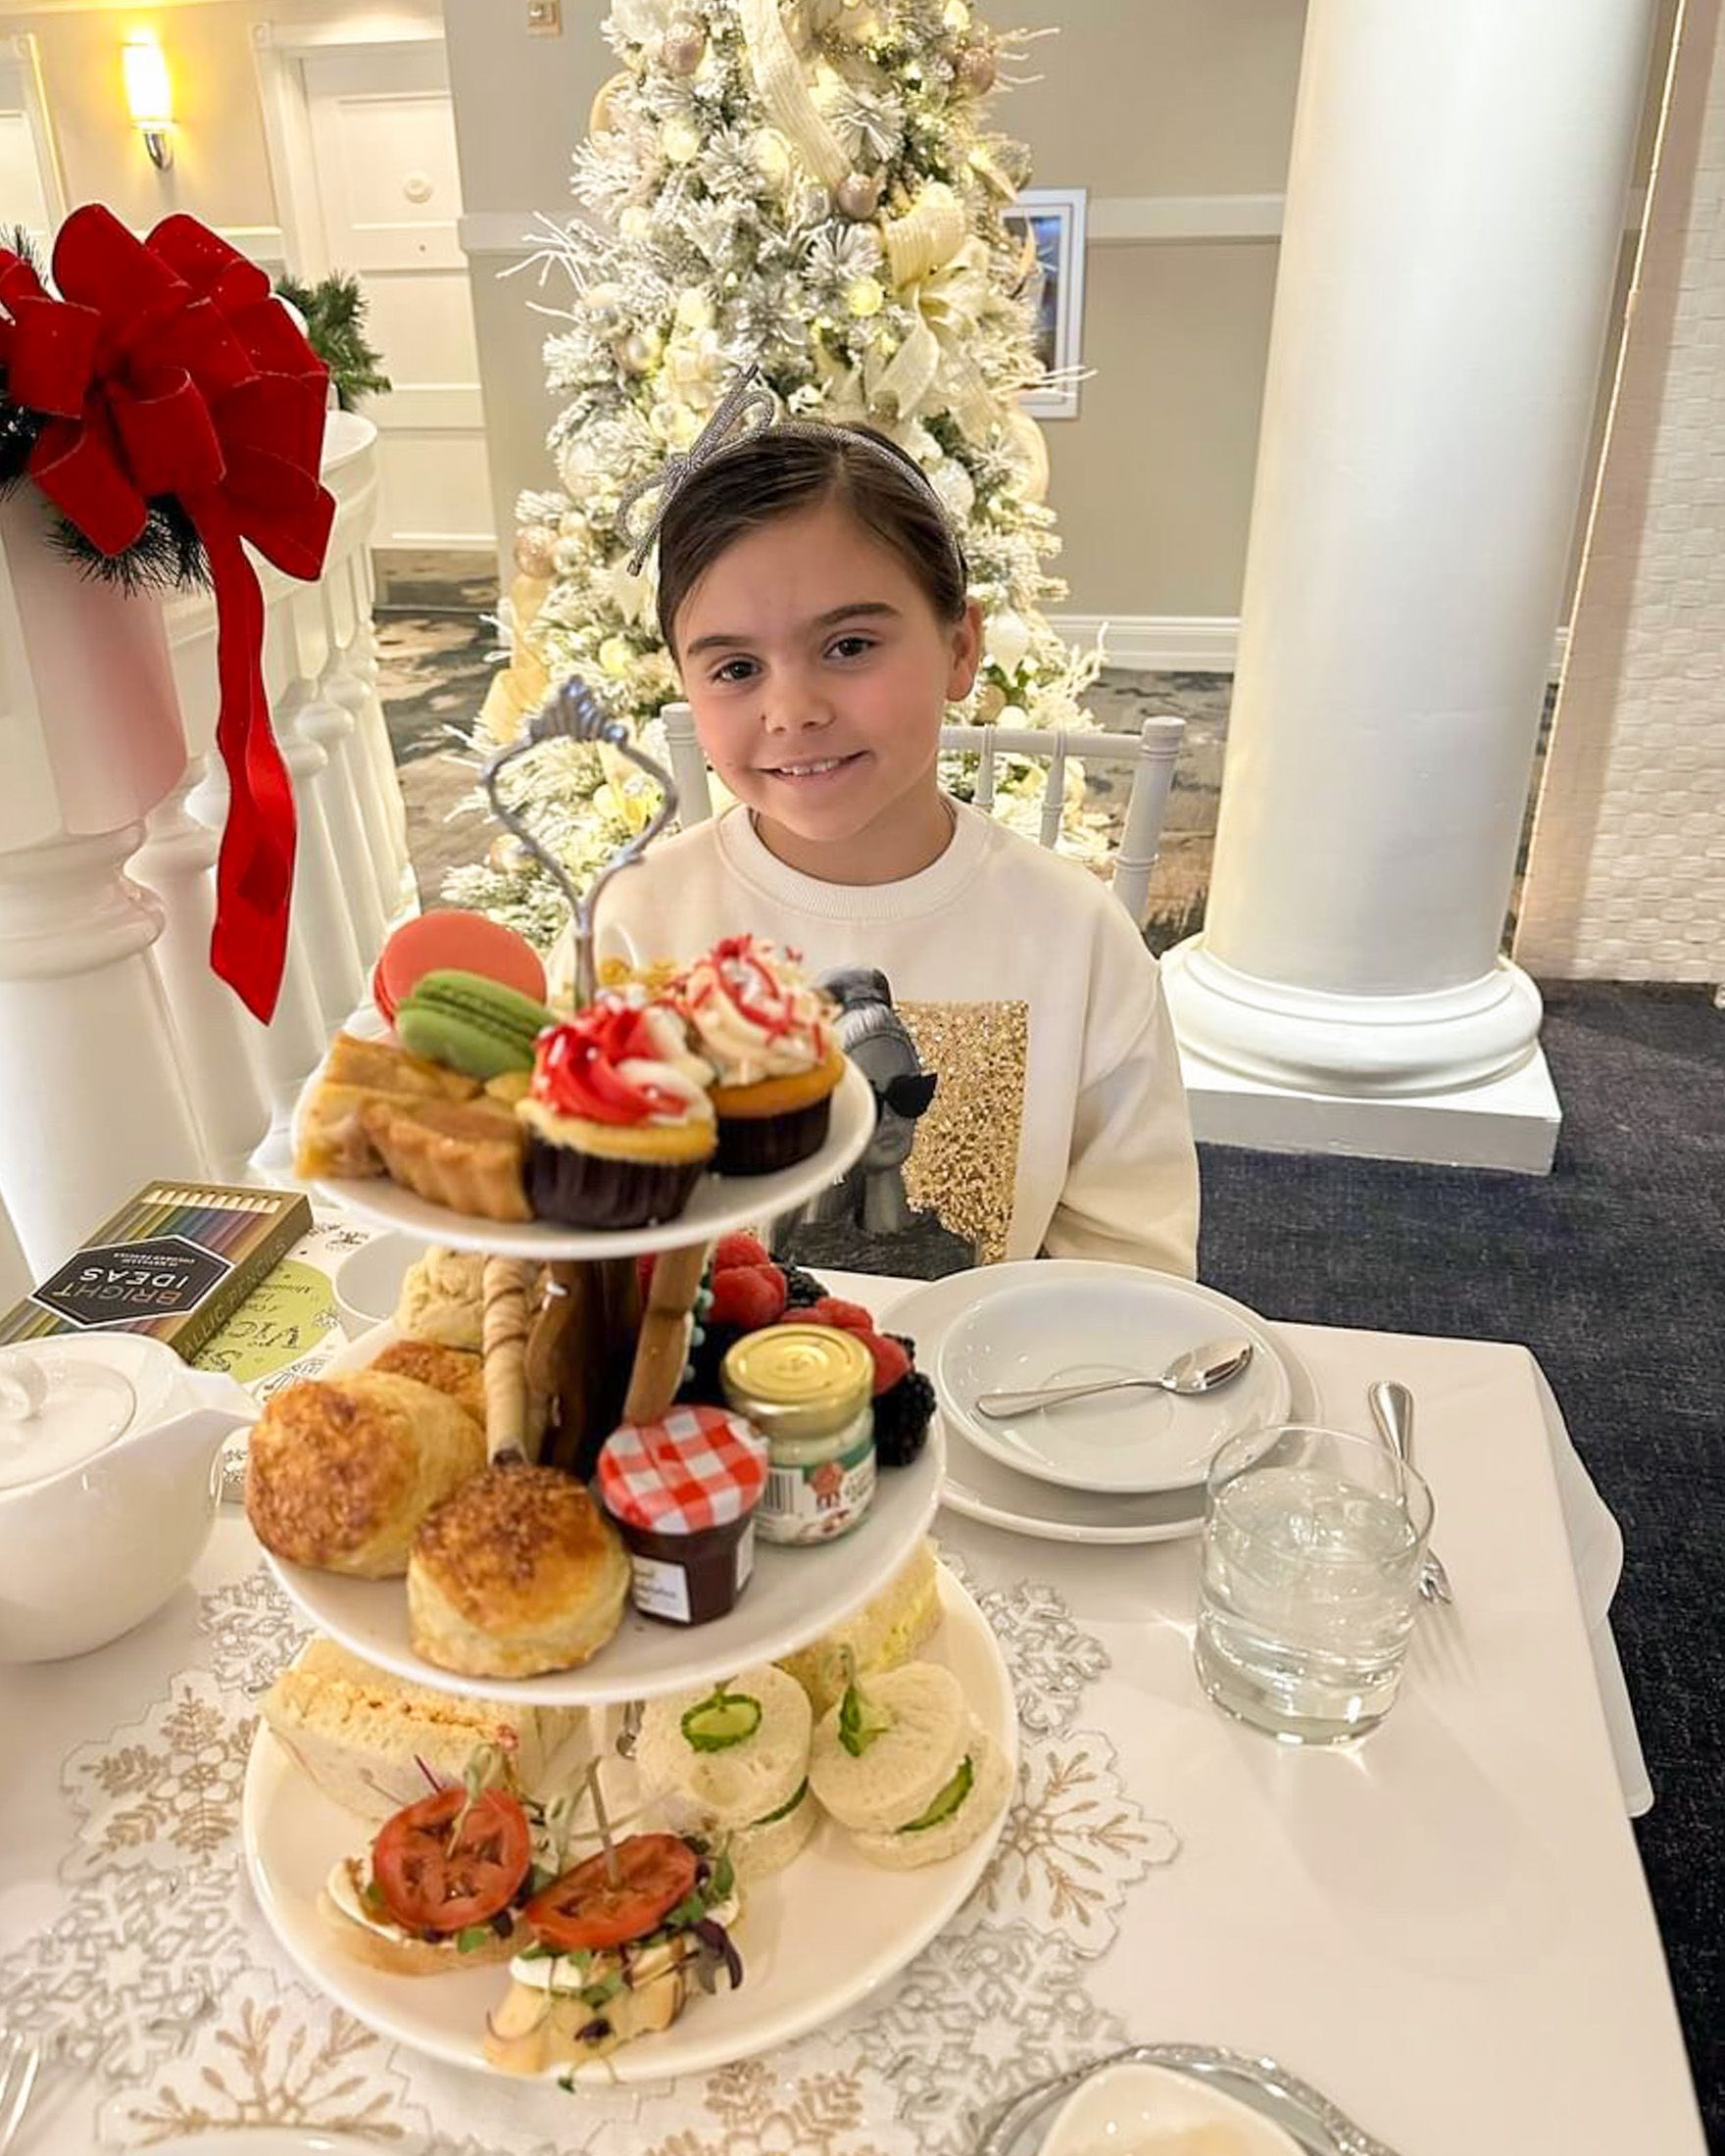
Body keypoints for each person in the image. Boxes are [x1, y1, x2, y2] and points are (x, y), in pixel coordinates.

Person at [588, 417, 1199, 1277]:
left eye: (850, 646)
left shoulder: (1076, 936)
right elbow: (586, 1218)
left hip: (995, 1391)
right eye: (734, 668)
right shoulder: (637, 922)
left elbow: (1132, 1261)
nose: (791, 710)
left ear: (959, 649)